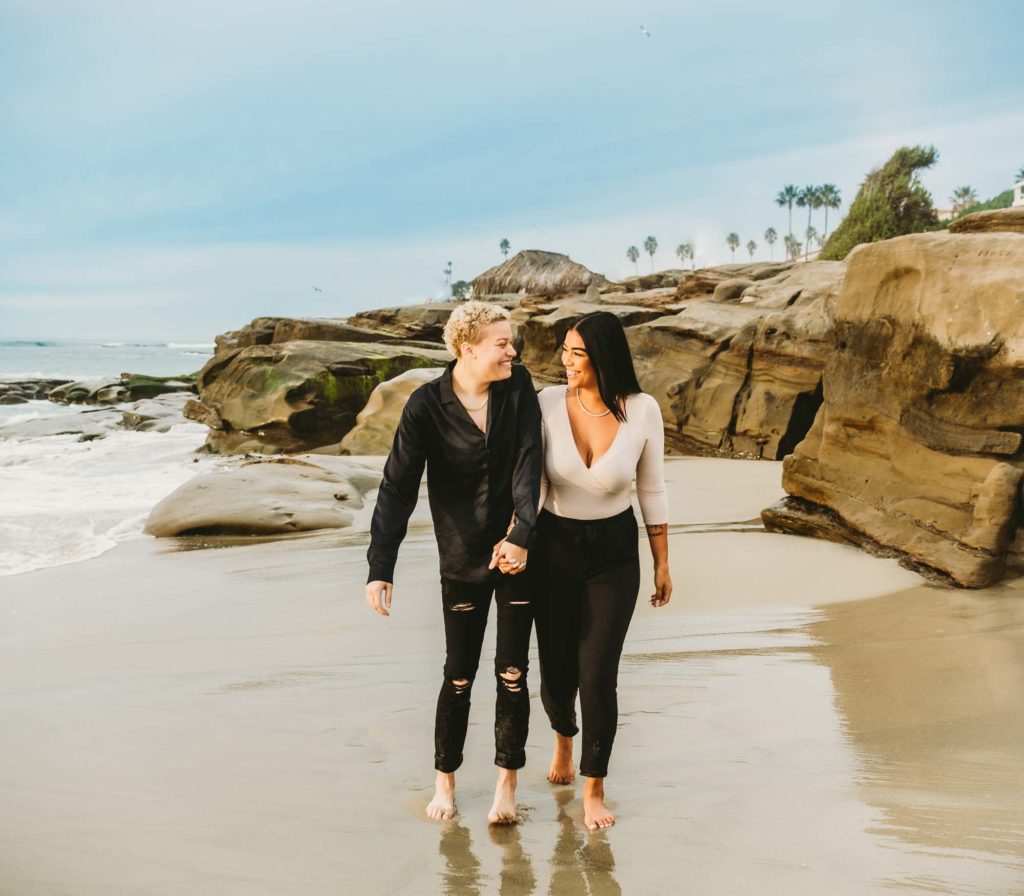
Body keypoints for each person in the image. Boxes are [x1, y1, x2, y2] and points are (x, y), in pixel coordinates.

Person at [365, 301, 542, 824]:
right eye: (502, 343)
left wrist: (522, 533)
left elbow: (530, 463)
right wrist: (381, 565)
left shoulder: (518, 387)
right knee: (459, 676)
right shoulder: (425, 406)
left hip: (517, 555)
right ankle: (445, 783)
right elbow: (397, 486)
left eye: (511, 342)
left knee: (512, 673)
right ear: (468, 349)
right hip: (461, 559)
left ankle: (505, 788)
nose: (513, 350)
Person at [519, 310, 672, 831]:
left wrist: (662, 562)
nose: (566, 362)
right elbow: (534, 482)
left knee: (597, 673)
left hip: (613, 553)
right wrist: (519, 538)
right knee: (557, 673)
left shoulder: (643, 410)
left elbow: (651, 488)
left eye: (577, 353)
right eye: (564, 351)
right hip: (553, 548)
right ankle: (563, 737)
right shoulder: (544, 403)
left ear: (603, 356)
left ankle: (593, 788)